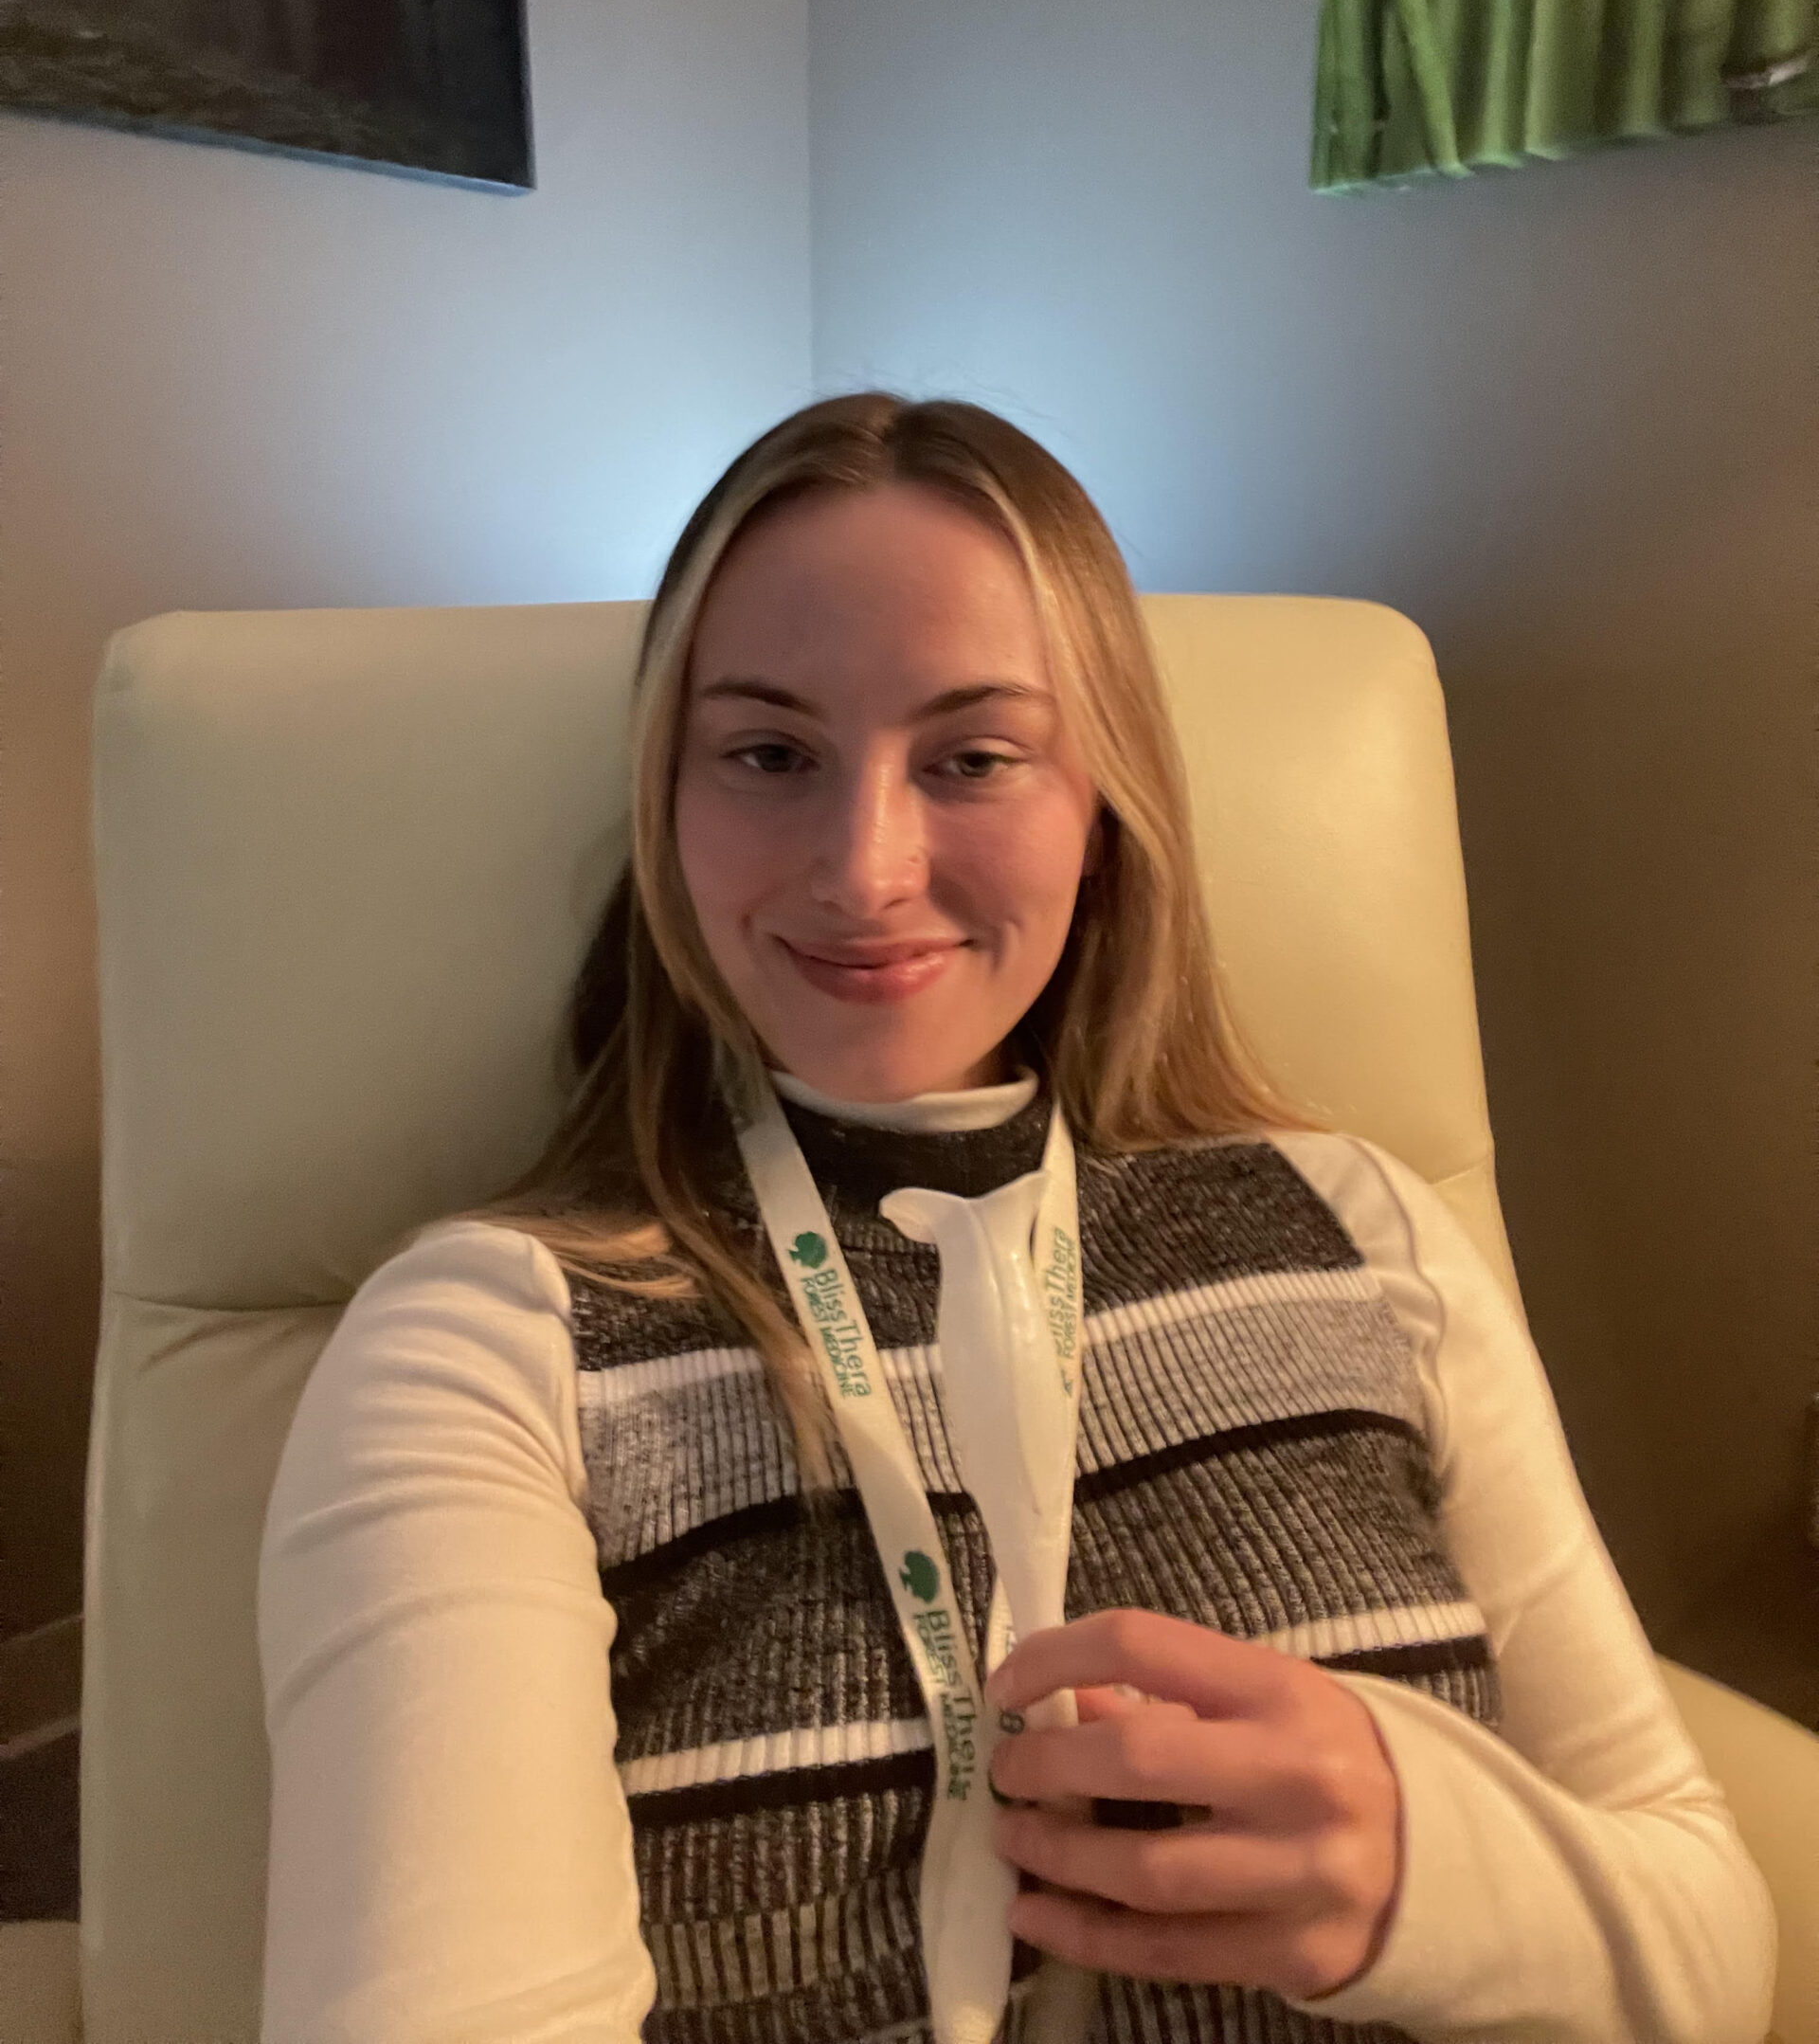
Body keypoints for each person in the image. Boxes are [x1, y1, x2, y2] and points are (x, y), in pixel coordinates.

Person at [258, 393, 1775, 2044]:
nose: (865, 868)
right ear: (666, 801)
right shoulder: (489, 1342)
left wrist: (1424, 1873)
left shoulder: (1361, 1227)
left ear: (1100, 801)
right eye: (769, 753)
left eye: (974, 757)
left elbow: (1706, 1954)